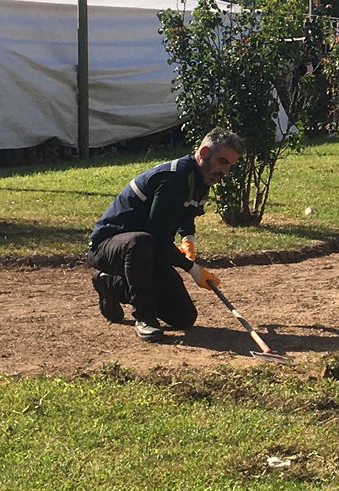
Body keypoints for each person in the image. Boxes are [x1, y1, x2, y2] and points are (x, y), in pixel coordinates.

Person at [88, 129, 245, 341]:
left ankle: (111, 285)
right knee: (141, 242)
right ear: (204, 152)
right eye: (223, 161)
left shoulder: (202, 178)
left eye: (230, 166)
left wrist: (188, 239)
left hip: (146, 254)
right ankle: (144, 319)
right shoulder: (175, 178)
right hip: (109, 247)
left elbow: (187, 214)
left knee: (184, 317)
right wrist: (193, 269)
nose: (225, 171)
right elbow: (157, 236)